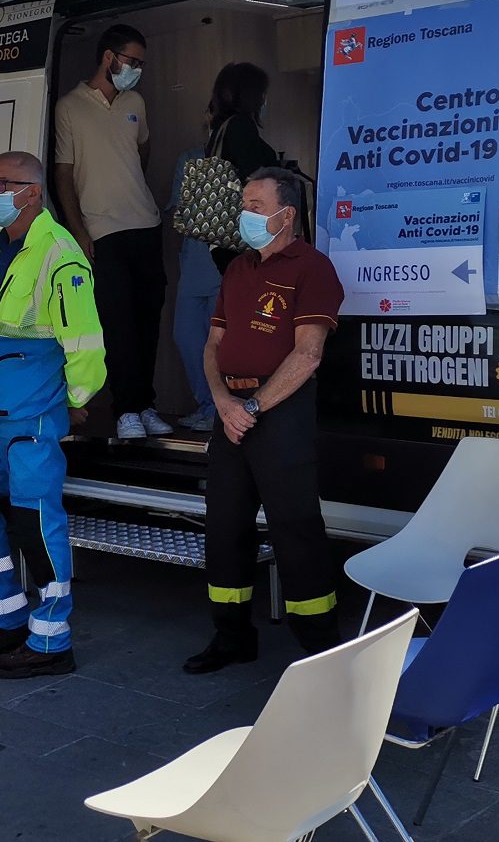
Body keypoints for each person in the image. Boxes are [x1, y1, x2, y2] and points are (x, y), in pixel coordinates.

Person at [185, 167, 344, 674]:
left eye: (255, 206)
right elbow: (213, 345)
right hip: (231, 412)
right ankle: (231, 636)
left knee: (295, 527)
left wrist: (252, 407)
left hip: (280, 413)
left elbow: (309, 354)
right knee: (224, 526)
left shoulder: (312, 268)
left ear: (286, 214)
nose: (244, 215)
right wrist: (222, 402)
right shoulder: (238, 269)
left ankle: (320, 650)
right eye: (244, 206)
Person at [0, 151, 106, 679]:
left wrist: (76, 400)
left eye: (3, 183)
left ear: (33, 192)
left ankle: (51, 640)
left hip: (30, 417)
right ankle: (8, 619)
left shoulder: (60, 253)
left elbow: (85, 342)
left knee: (35, 525)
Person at [52, 23, 169, 440]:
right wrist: (78, 230)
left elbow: (142, 152)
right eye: (132, 61)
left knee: (148, 319)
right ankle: (126, 411)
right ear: (108, 57)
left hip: (146, 223)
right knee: (116, 323)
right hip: (101, 230)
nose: (137, 69)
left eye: (141, 63)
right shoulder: (69, 107)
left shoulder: (136, 101)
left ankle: (146, 405)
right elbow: (63, 175)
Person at [166, 117, 223, 433]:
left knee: (221, 344)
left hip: (226, 269)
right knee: (187, 337)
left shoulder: (240, 158)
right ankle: (208, 405)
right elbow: (179, 214)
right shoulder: (189, 159)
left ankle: (220, 409)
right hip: (193, 266)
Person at [202, 62, 280, 274]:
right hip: (243, 238)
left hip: (223, 237)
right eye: (262, 92)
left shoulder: (220, 129)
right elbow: (254, 178)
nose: (264, 99)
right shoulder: (240, 126)